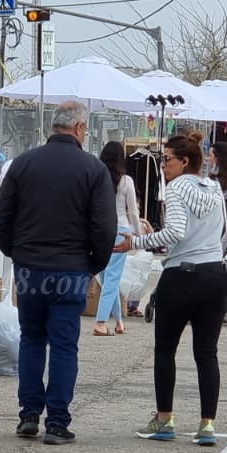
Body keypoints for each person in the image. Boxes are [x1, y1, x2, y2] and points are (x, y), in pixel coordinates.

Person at [0, 101, 115, 445]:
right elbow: (104, 227)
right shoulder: (93, 169)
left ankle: (29, 414)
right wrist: (94, 264)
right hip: (72, 268)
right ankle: (57, 422)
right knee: (64, 346)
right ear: (78, 128)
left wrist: (16, 254)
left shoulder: (23, 164)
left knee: (31, 339)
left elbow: (2, 218)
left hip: (30, 267)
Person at [116, 135, 227, 447]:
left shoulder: (177, 188)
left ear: (185, 162)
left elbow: (176, 232)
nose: (162, 165)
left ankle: (165, 418)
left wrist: (135, 242)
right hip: (214, 272)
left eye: (166, 159)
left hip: (182, 274)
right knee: (207, 352)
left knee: (166, 349)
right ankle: (207, 424)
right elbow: (223, 231)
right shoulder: (215, 188)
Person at [92, 141, 142, 336]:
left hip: (100, 231)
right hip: (120, 229)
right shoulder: (126, 181)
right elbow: (134, 212)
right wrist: (138, 234)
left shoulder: (97, 178)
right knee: (112, 278)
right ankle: (100, 322)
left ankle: (119, 321)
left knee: (106, 278)